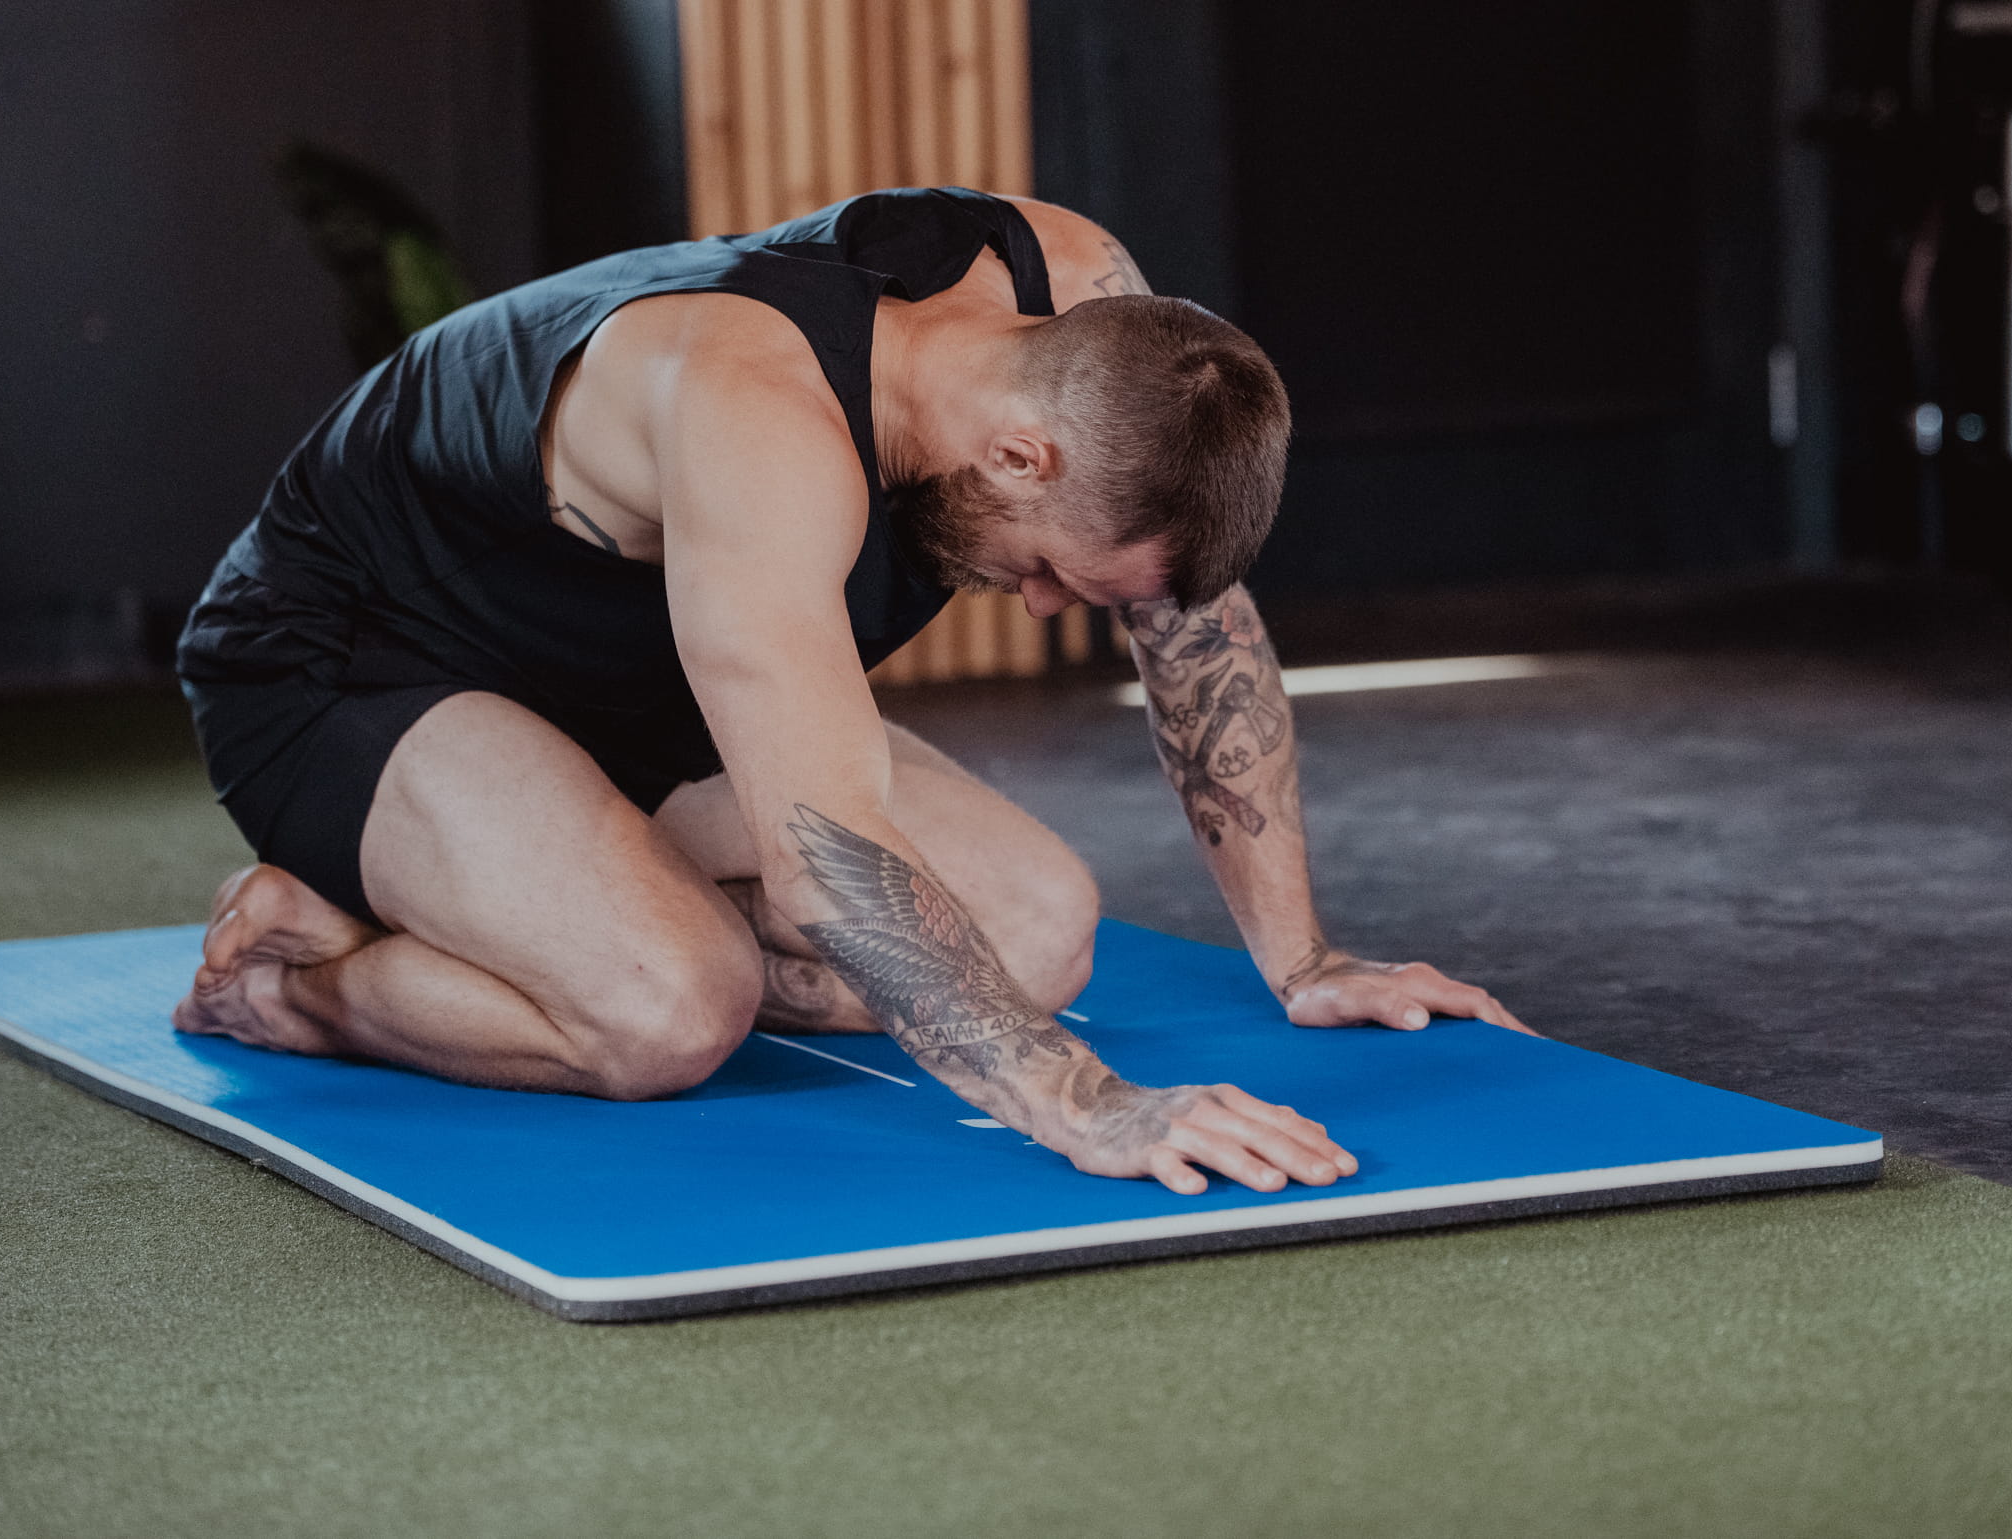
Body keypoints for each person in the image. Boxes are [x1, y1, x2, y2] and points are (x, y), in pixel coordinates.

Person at [173, 186, 1528, 1198]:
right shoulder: (759, 424)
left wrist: (1299, 958)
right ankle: (318, 984)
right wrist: (1089, 1106)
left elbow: (1192, 629)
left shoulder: (1089, 304)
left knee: (1040, 936)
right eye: (1054, 571)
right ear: (1019, 453)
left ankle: (520, 897)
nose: (1048, 608)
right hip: (355, 658)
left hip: (624, 683)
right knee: (671, 1011)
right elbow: (830, 864)